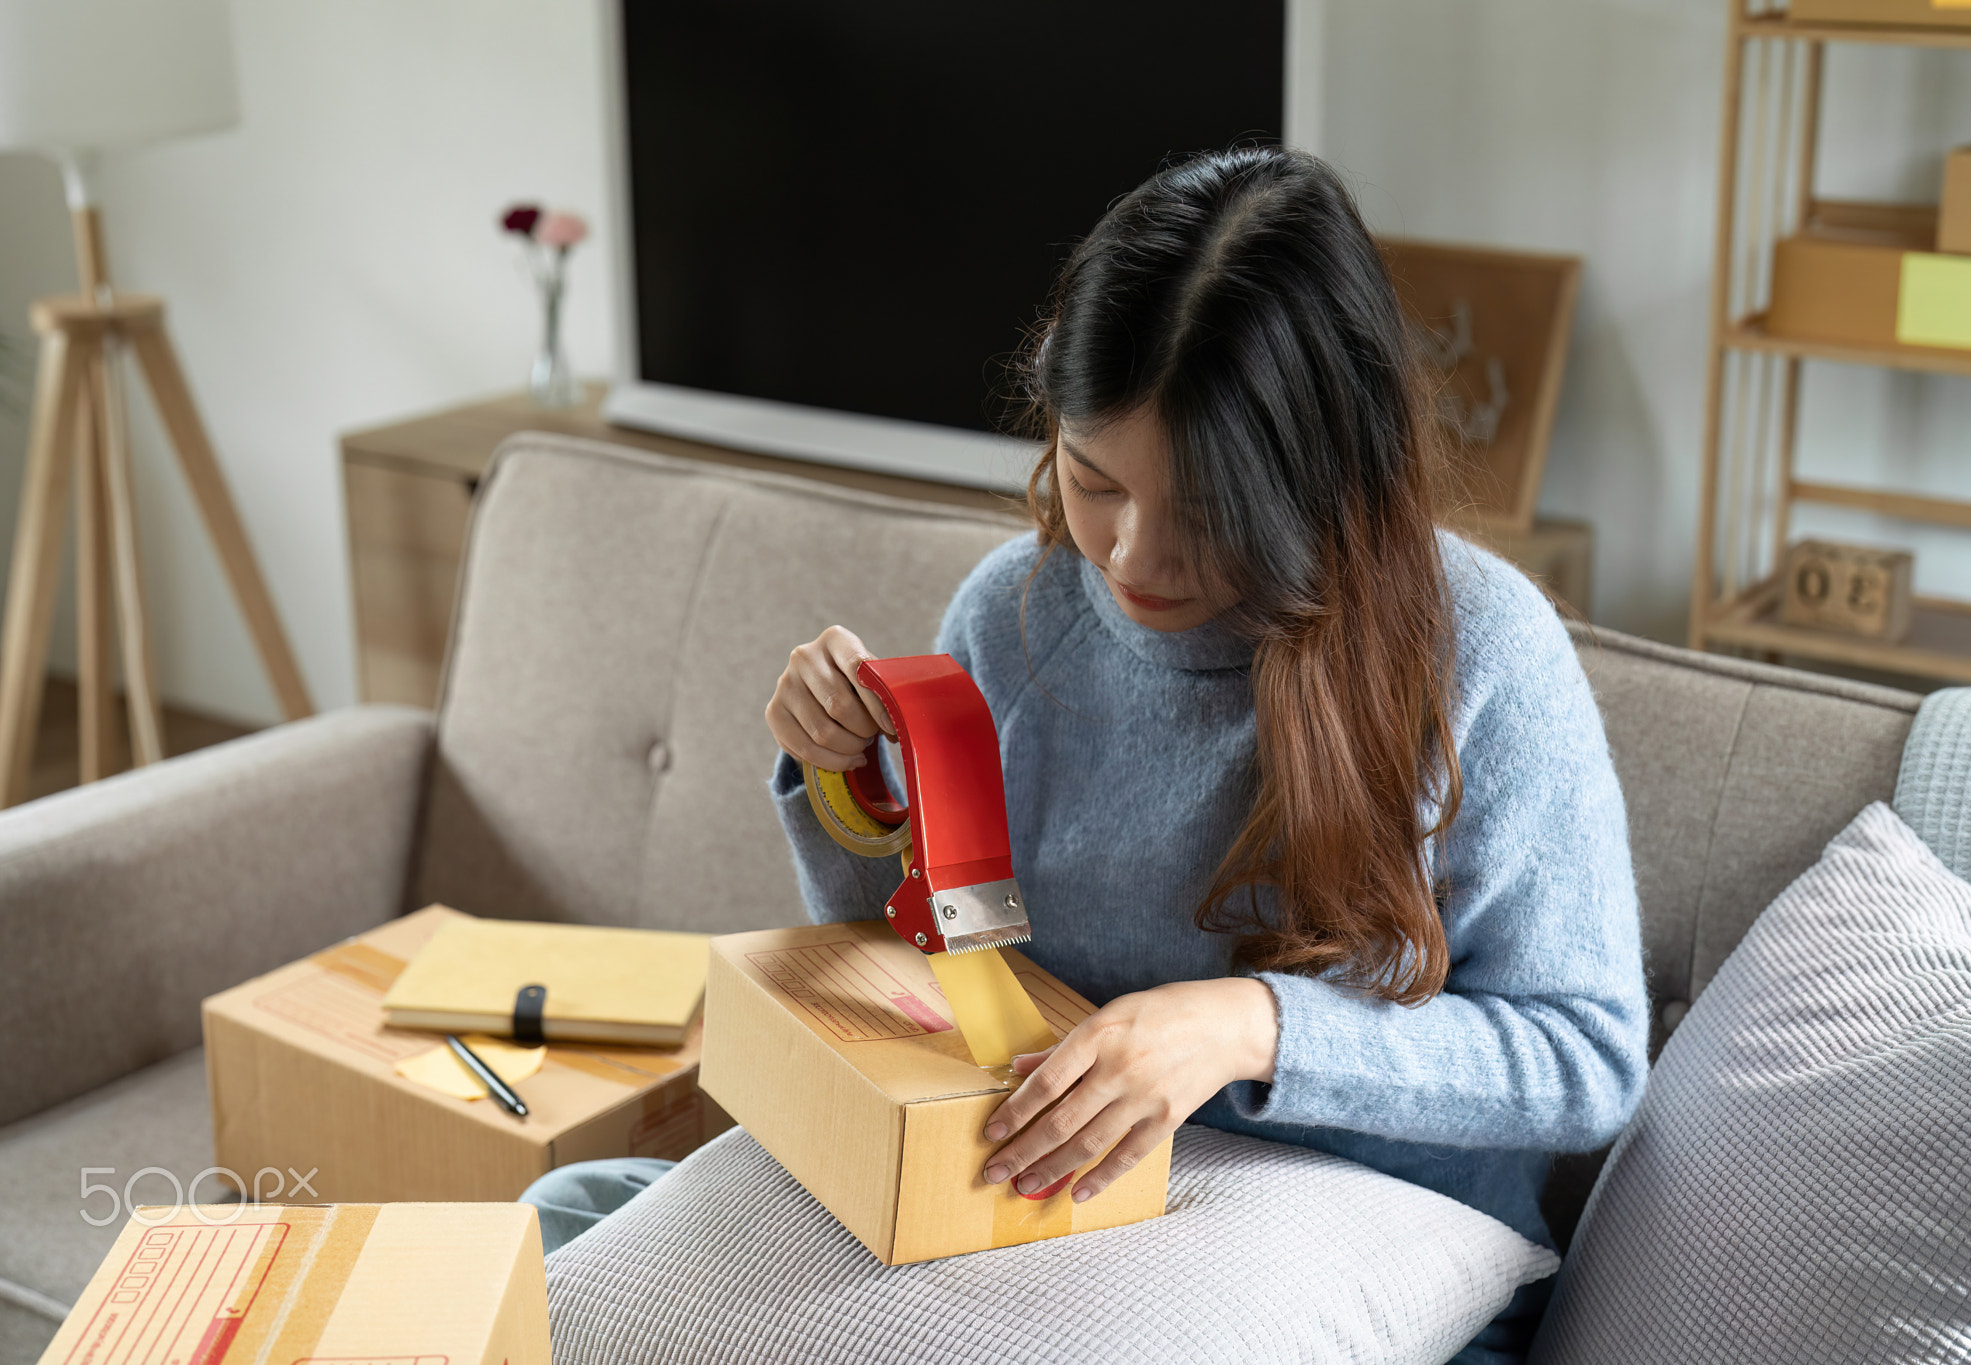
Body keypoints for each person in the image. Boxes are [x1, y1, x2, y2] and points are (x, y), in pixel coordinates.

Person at [527, 146, 1647, 1364]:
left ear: (1327, 474)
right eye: (1094, 480)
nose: (1131, 559)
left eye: (1211, 513)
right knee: (557, 1242)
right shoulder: (1016, 609)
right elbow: (922, 959)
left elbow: (1582, 1061)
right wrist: (848, 777)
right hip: (1031, 1211)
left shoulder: (1477, 653)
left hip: (1366, 1247)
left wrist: (1251, 1027)